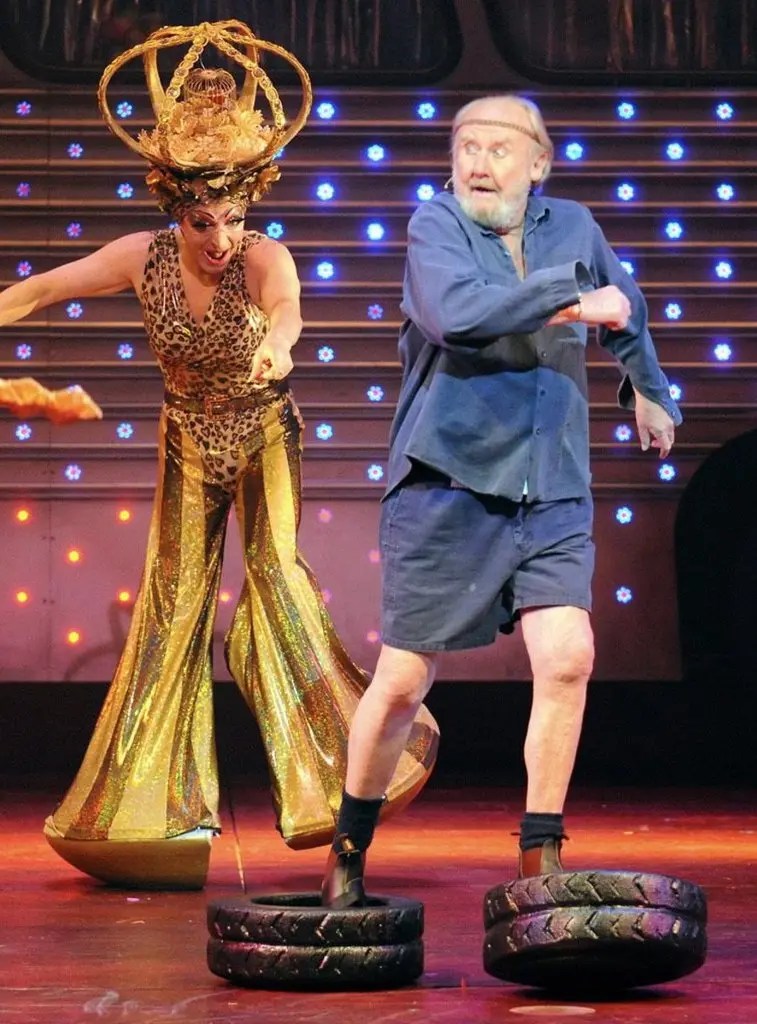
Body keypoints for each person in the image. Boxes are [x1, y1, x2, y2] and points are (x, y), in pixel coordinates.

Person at [0, 20, 438, 889]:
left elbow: (287, 310)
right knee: (172, 602)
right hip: (186, 438)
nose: (220, 238)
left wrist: (278, 345)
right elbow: (44, 288)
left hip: (262, 429)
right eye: (204, 221)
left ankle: (344, 775)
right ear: (176, 210)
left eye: (234, 218)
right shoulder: (143, 257)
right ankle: (145, 810)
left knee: (274, 577)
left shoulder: (264, 255)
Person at [321, 93, 681, 908]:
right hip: (447, 481)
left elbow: (624, 307)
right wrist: (571, 302)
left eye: (497, 149)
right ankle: (348, 845)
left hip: (551, 483)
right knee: (403, 682)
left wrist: (647, 390)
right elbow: (456, 316)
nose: (478, 164)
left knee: (568, 658)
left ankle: (539, 854)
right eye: (466, 148)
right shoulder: (435, 225)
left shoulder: (574, 227)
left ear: (538, 163)